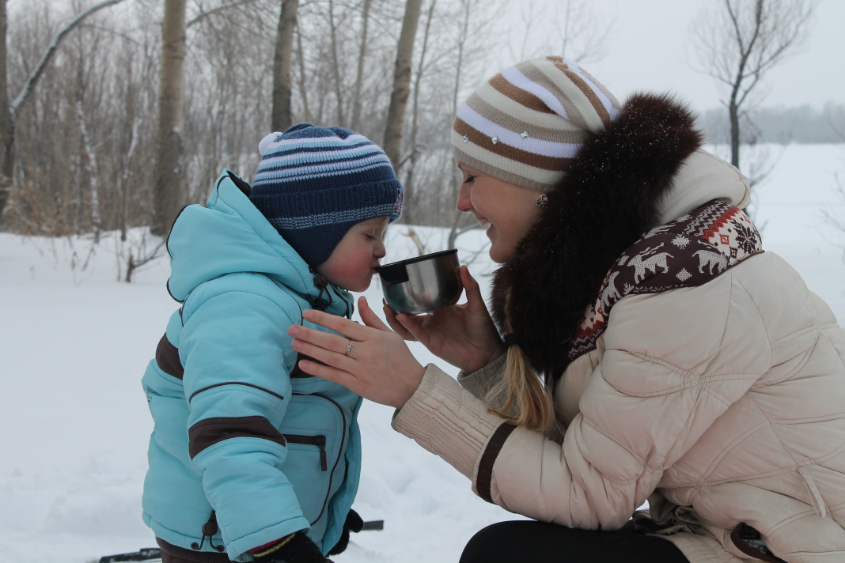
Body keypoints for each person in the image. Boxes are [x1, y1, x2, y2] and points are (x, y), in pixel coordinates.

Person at [287, 57, 845, 563]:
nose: (461, 201)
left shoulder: (684, 281)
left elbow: (588, 494)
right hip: (733, 535)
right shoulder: (628, 270)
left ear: (538, 184)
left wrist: (413, 390)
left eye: (472, 177)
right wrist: (484, 361)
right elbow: (589, 459)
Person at [141, 123, 404, 563]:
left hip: (251, 527)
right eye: (369, 234)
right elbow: (229, 434)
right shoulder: (243, 304)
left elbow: (294, 423)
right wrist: (276, 539)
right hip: (223, 540)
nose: (381, 251)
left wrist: (318, 508)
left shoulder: (292, 300)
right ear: (315, 232)